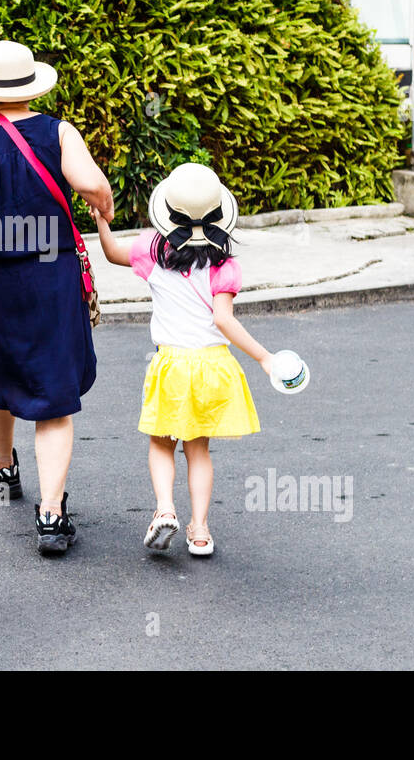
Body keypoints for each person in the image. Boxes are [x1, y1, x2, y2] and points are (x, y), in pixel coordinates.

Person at [0, 41, 112, 556]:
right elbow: (91, 184)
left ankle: (5, 467)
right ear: (32, 86)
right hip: (47, 275)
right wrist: (102, 208)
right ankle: (52, 516)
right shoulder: (58, 131)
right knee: (54, 397)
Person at [95, 163, 273, 558]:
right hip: (212, 366)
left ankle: (164, 509)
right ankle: (201, 532)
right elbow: (223, 319)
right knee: (198, 450)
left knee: (161, 444)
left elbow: (110, 254)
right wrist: (264, 358)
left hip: (172, 364)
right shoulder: (225, 266)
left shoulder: (150, 250)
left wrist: (101, 221)